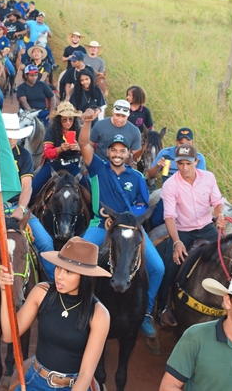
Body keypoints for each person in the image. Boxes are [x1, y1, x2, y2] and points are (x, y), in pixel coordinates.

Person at [78, 108, 164, 339]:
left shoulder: (136, 177)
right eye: (114, 150)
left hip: (130, 227)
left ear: (129, 154)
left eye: (122, 151)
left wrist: (123, 219)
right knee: (80, 259)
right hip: (100, 224)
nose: (117, 154)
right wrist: (87, 123)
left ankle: (146, 312)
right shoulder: (97, 168)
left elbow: (142, 205)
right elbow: (84, 144)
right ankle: (80, 304)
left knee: (158, 267)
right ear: (107, 152)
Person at [0, 237, 110, 391]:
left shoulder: (99, 315)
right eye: (58, 268)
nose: (59, 276)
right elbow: (9, 335)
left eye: (68, 271)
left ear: (85, 277)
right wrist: (4, 290)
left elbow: (85, 374)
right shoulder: (41, 292)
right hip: (34, 380)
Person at [158, 144, 226, 327]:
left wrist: (220, 216)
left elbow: (218, 202)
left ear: (196, 161)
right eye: (180, 164)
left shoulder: (209, 178)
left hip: (206, 226)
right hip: (183, 230)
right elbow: (169, 217)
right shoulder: (170, 185)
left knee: (228, 256)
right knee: (170, 265)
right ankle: (163, 307)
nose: (184, 168)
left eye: (188, 163)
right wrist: (177, 242)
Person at [3, 113, 56, 279]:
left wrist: (20, 208)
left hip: (16, 206)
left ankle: (52, 287)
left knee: (46, 243)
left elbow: (26, 187)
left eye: (14, 136)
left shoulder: (23, 155)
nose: (12, 140)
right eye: (9, 136)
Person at [146, 127, 206, 226]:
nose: (184, 147)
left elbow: (201, 183)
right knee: (155, 222)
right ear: (176, 142)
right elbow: (149, 175)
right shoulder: (165, 154)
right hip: (168, 195)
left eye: (188, 144)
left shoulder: (198, 158)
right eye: (181, 144)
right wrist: (157, 166)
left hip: (189, 197)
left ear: (192, 143)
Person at [30, 102, 83, 201]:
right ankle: (27, 212)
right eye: (64, 120)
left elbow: (88, 150)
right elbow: (47, 152)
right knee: (32, 189)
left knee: (90, 191)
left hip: (73, 166)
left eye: (71, 119)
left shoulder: (79, 130)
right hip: (53, 166)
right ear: (59, 120)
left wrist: (79, 149)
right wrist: (60, 149)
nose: (68, 122)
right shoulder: (51, 131)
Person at [59, 32, 87, 100]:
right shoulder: (67, 48)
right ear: (71, 38)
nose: (75, 39)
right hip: (70, 68)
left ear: (79, 39)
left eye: (77, 37)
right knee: (62, 81)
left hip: (80, 68)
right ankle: (62, 97)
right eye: (74, 37)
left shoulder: (82, 49)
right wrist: (69, 58)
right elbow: (63, 58)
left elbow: (85, 59)